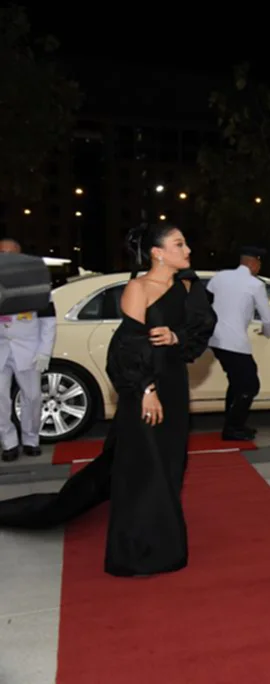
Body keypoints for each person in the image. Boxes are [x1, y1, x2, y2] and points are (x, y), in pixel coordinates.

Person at [0, 223, 217, 577]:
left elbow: (201, 328)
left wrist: (176, 337)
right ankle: (137, 552)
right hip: (143, 388)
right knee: (144, 467)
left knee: (170, 464)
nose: (188, 249)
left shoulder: (189, 287)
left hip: (175, 387)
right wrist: (146, 390)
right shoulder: (138, 288)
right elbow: (125, 348)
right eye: (179, 244)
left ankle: (162, 540)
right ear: (158, 253)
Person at [206, 246, 270, 441]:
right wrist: (267, 333)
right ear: (253, 263)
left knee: (237, 383)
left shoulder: (219, 277)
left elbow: (205, 303)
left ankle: (234, 424)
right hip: (235, 342)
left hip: (215, 339)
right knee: (250, 385)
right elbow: (268, 319)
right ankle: (233, 428)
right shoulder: (255, 285)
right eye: (259, 263)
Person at [0, 238, 56, 462]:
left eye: (11, 253)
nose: (6, 258)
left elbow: (48, 321)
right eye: (2, 253)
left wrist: (44, 352)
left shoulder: (36, 283)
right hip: (1, 348)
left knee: (32, 397)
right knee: (0, 399)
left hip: (28, 349)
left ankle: (31, 439)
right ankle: (9, 443)